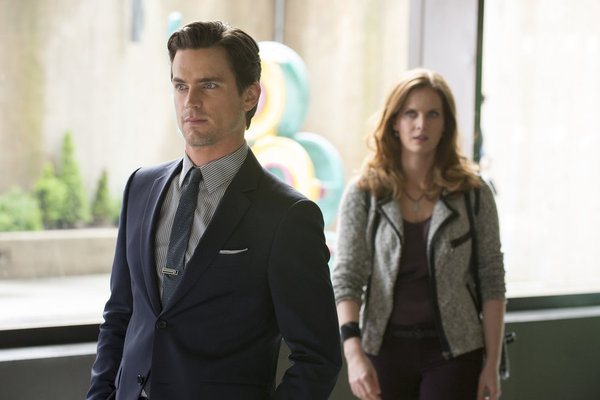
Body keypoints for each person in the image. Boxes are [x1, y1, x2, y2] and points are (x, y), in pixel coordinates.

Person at [87, 21, 341, 400]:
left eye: (208, 85)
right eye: (180, 85)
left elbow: (318, 357)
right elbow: (119, 316)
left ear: (250, 95)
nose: (190, 101)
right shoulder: (140, 187)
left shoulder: (288, 215)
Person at [332, 68, 506, 400]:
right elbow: (346, 277)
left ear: (447, 124)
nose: (421, 124)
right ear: (394, 122)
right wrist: (353, 354)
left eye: (432, 114)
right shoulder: (365, 193)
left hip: (455, 352)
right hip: (383, 349)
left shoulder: (473, 193)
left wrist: (493, 364)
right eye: (410, 113)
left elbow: (492, 278)